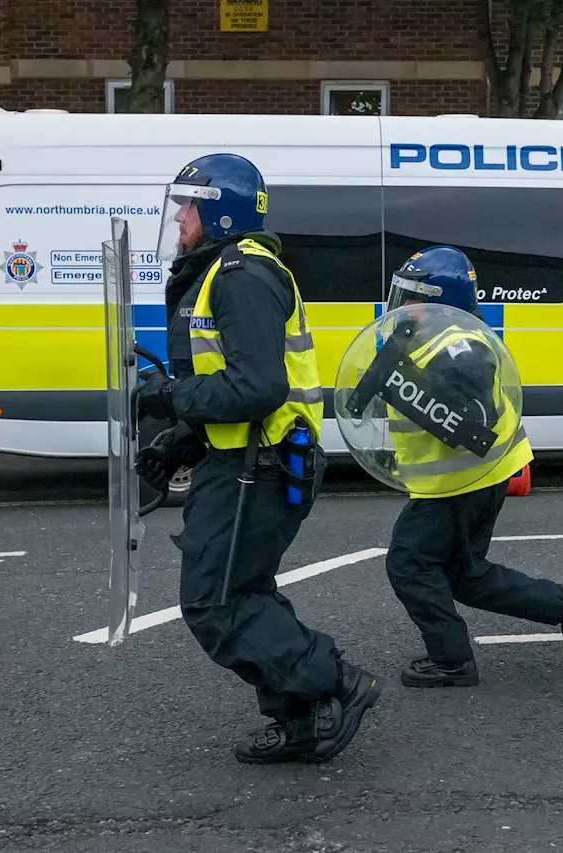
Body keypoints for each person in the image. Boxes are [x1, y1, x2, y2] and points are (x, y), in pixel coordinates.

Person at [133, 153, 382, 765]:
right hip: (247, 458)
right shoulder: (224, 269)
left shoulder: (241, 274)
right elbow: (234, 388)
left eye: (187, 207)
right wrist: (183, 443)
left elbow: (257, 389)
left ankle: (335, 682)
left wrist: (167, 396)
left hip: (263, 465)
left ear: (219, 212)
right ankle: (301, 721)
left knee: (216, 602)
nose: (179, 219)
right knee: (244, 593)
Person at [378, 246, 563, 688]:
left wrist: (415, 395)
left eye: (412, 298)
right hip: (461, 478)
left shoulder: (461, 350)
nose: (402, 306)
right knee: (464, 574)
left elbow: (473, 420)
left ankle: (452, 660)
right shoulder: (423, 337)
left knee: (408, 563)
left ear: (444, 302)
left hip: (462, 481)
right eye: (401, 295)